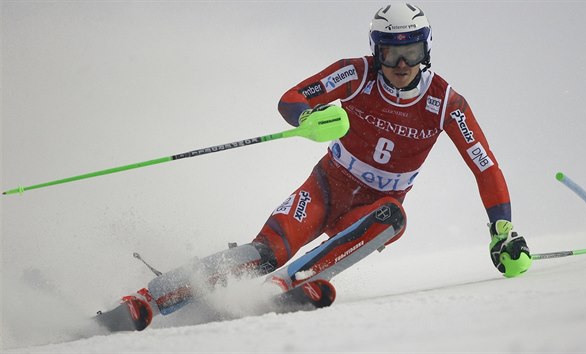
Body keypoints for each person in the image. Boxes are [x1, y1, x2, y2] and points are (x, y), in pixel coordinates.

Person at [102, 3, 532, 331]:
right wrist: (308, 119)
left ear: (427, 49)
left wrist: (502, 232)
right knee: (266, 253)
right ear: (375, 51)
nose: (401, 66)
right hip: (327, 188)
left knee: (394, 218)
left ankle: (285, 286)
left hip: (373, 207)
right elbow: (292, 98)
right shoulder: (357, 74)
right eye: (391, 55)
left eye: (412, 53)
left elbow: (485, 166)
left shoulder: (445, 103)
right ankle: (147, 300)